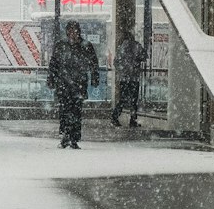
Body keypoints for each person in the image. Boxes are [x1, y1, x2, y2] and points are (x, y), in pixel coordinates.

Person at [47, 20, 100, 150]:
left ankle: (73, 137)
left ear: (78, 31)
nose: (72, 33)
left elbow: (94, 63)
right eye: (70, 30)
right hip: (64, 83)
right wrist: (51, 78)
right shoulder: (62, 45)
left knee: (76, 111)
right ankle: (66, 135)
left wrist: (94, 77)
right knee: (65, 110)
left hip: (78, 83)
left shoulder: (85, 46)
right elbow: (54, 63)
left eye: (74, 30)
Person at [111, 27, 145, 129]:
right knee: (134, 100)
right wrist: (135, 64)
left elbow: (115, 62)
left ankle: (115, 117)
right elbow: (144, 56)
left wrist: (123, 70)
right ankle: (132, 120)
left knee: (123, 99)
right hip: (134, 78)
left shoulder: (120, 48)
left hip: (124, 78)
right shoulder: (137, 46)